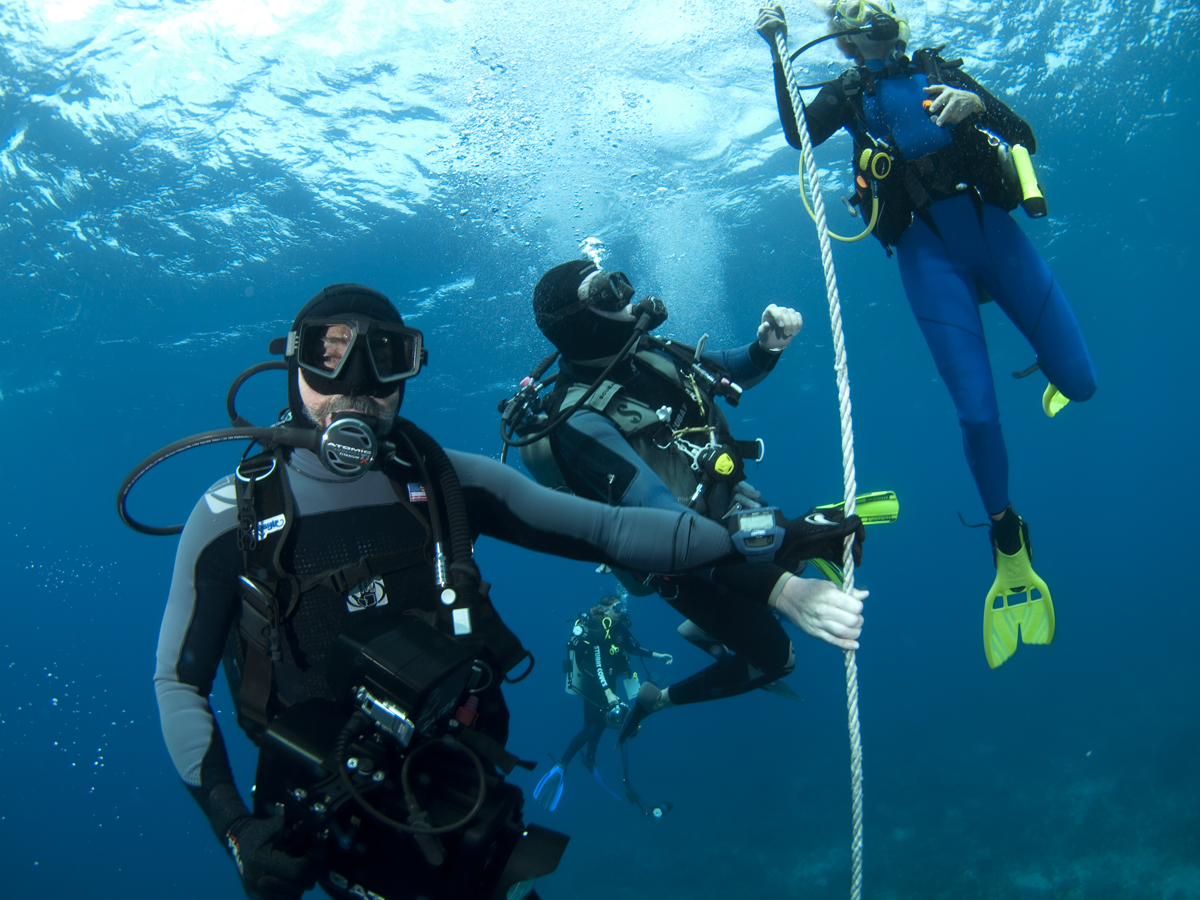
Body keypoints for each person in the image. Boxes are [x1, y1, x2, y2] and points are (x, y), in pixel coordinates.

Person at [150, 283, 867, 900]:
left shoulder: (443, 481)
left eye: (385, 359)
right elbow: (178, 683)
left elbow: (615, 531)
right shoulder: (230, 516)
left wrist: (771, 541)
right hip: (318, 826)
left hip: (466, 797)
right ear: (292, 363)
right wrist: (234, 828)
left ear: (410, 369)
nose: (356, 388)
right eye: (329, 354)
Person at [755, 1, 1097, 666]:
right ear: (846, 37)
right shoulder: (849, 93)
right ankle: (1007, 537)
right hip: (925, 252)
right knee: (977, 413)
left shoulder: (943, 70)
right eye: (852, 10)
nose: (870, 13)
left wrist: (977, 109)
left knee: (1082, 385)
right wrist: (777, 49)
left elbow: (1023, 133)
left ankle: (1054, 375)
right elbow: (799, 135)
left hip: (993, 231)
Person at [513, 258, 868, 744]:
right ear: (584, 320)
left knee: (796, 563)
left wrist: (764, 349)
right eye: (608, 294)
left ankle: (710, 626)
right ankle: (659, 700)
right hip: (682, 561)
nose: (627, 297)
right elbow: (665, 519)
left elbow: (718, 369)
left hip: (730, 511)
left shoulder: (645, 351)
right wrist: (782, 589)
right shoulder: (578, 422)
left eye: (621, 284)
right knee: (778, 659)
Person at [532, 595, 673, 814]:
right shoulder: (598, 631)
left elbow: (634, 648)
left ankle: (590, 758)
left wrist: (658, 655)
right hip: (594, 686)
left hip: (610, 683)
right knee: (590, 728)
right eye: (617, 606)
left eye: (621, 605)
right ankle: (562, 764)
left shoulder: (618, 628)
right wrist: (608, 694)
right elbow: (597, 665)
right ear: (606, 610)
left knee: (602, 723)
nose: (621, 609)